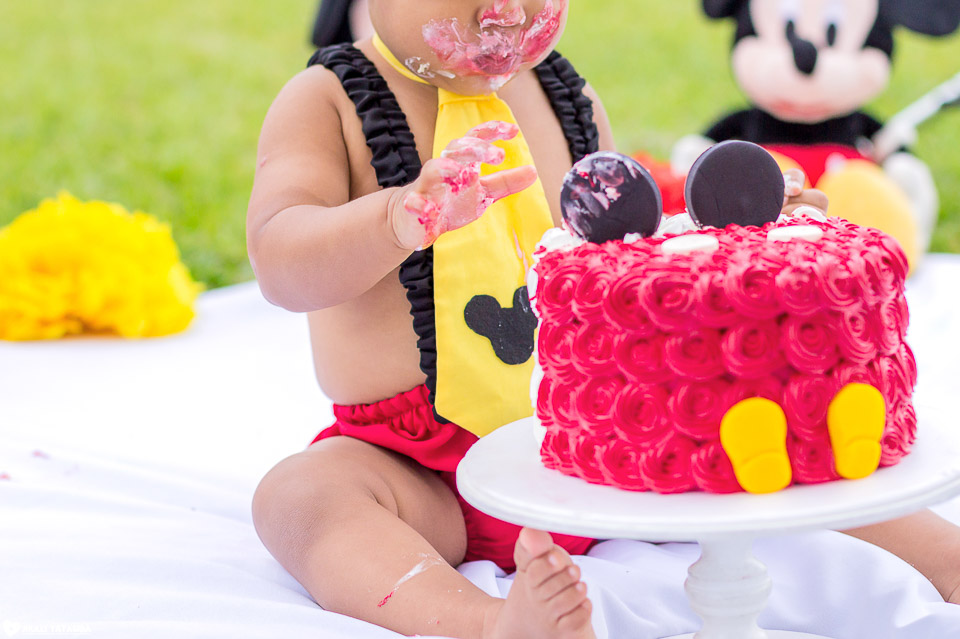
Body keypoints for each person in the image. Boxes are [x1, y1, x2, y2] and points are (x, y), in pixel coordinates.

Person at [247, 1, 959, 637]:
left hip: (594, 433)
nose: (508, 9)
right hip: (421, 469)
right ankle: (487, 622)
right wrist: (394, 219)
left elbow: (624, 252)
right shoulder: (329, 101)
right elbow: (280, 254)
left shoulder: (563, 95)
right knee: (304, 495)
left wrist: (745, 226)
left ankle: (946, 558)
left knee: (781, 436)